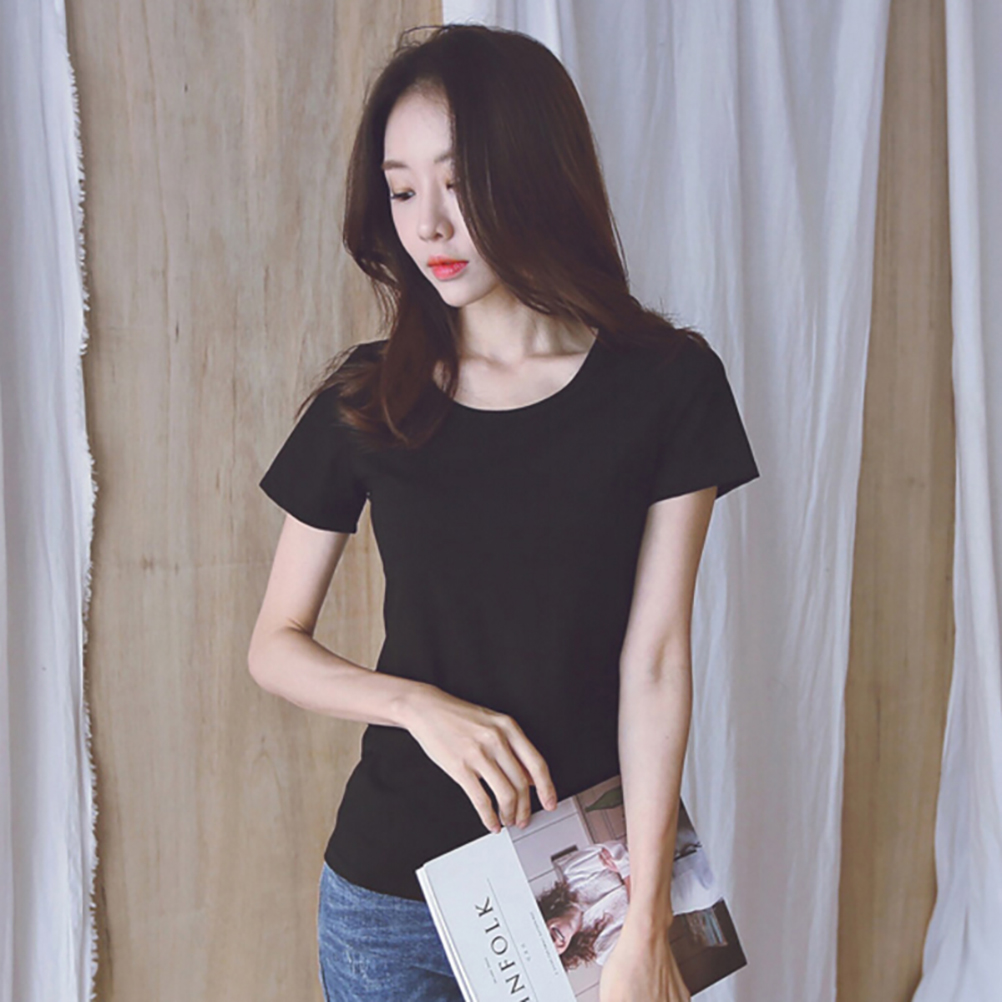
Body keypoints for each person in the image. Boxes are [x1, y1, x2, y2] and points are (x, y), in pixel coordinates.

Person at [247, 22, 759, 1002]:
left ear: (533, 174)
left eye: (459, 183)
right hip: (387, 900)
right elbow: (274, 645)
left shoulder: (667, 386)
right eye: (403, 191)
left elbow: (655, 661)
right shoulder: (371, 398)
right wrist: (417, 706)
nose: (429, 226)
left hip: (585, 897)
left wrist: (647, 919)